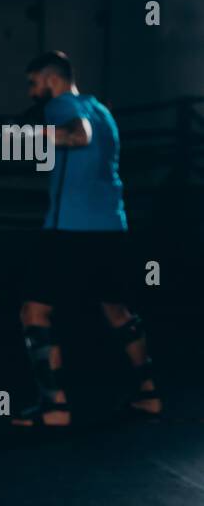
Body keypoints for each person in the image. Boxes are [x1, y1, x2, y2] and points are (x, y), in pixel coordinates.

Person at [11, 50, 160, 428]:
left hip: (70, 231)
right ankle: (148, 394)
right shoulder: (103, 110)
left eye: (33, 83)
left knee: (35, 310)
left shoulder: (61, 106)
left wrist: (29, 133)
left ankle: (54, 408)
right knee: (117, 311)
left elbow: (78, 137)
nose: (32, 92)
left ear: (50, 79)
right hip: (112, 227)